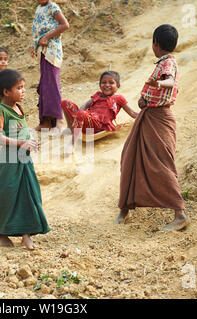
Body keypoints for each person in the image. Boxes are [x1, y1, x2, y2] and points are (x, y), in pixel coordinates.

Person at [116, 24, 190, 231]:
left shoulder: (167, 64)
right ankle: (125, 208)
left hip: (159, 119)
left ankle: (180, 213)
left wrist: (158, 84)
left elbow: (169, 81)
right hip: (149, 118)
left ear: (155, 43)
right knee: (130, 157)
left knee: (161, 164)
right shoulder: (165, 62)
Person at [0, 69, 50, 250]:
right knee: (7, 194)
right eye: (19, 88)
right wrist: (21, 143)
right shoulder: (1, 111)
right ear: (6, 92)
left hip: (24, 159)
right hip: (9, 161)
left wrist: (31, 142)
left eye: (24, 87)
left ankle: (26, 235)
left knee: (28, 193)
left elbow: (22, 131)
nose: (23, 91)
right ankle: (3, 233)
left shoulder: (18, 107)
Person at [61, 71, 138, 154]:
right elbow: (85, 105)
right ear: (100, 85)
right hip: (87, 119)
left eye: (111, 83)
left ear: (118, 86)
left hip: (98, 125)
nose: (107, 85)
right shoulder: (97, 95)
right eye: (104, 82)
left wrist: (145, 114)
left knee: (82, 114)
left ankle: (72, 144)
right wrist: (77, 117)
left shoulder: (118, 98)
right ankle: (70, 128)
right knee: (65, 102)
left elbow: (132, 113)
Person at [31, 0, 69, 132]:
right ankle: (46, 121)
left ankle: (59, 120)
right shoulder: (38, 8)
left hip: (52, 50)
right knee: (44, 84)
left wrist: (47, 36)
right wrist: (34, 45)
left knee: (52, 83)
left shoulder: (53, 6)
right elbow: (37, 30)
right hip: (43, 51)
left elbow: (65, 25)